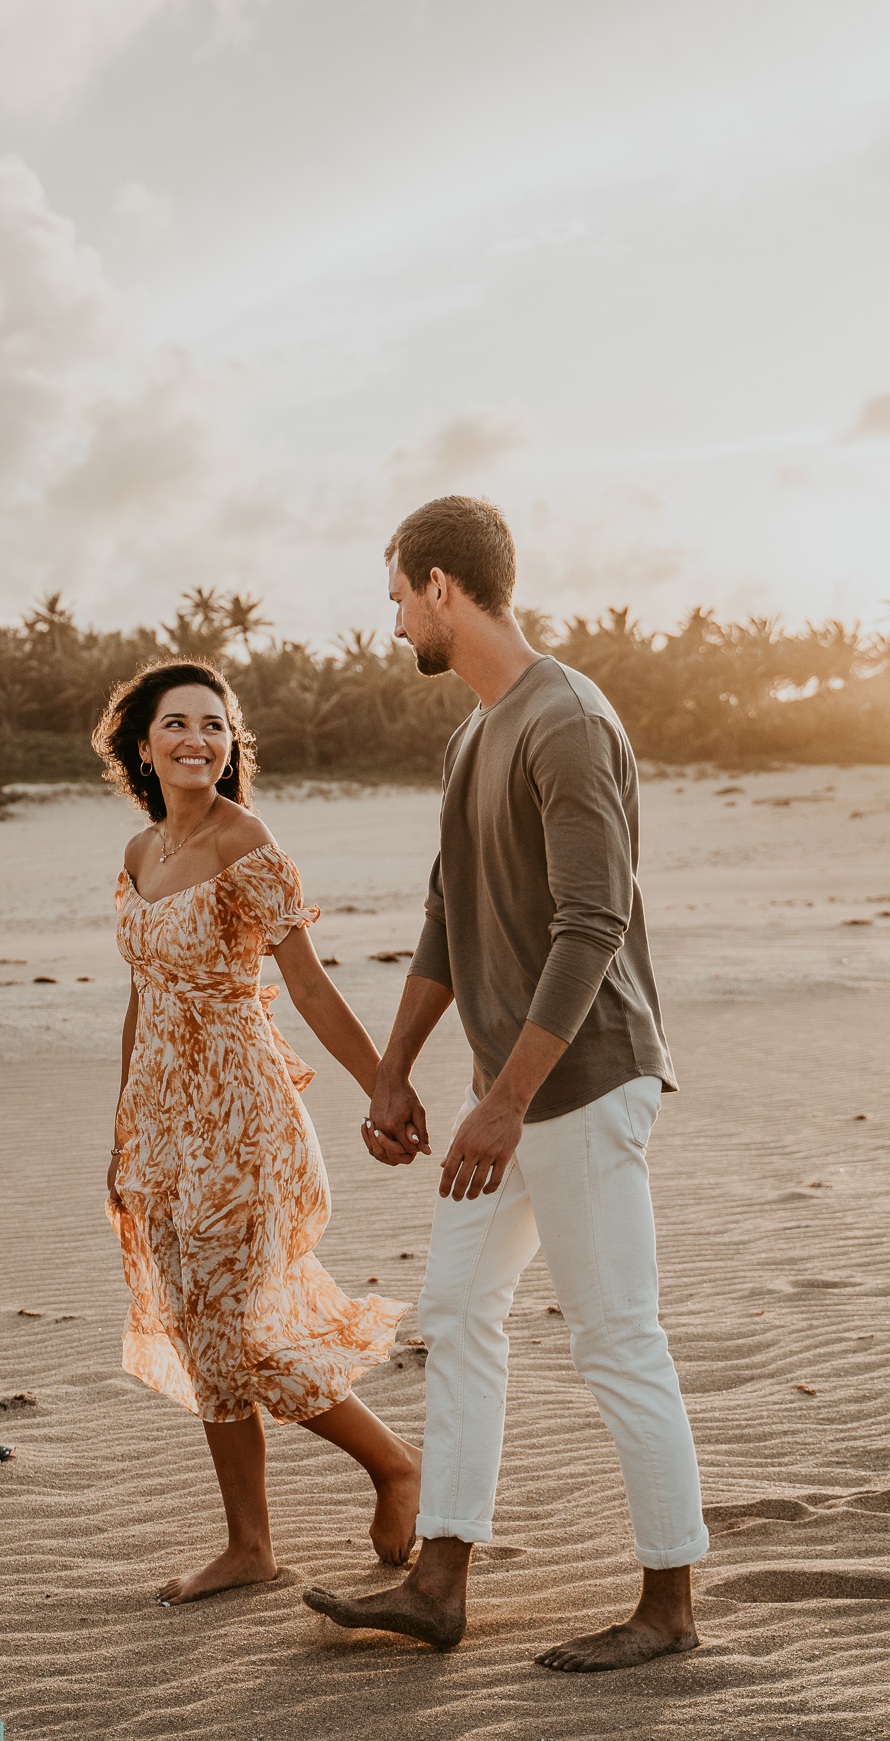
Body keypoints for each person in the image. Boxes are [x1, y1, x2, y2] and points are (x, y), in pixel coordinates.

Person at [304, 496, 708, 1670]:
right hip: (512, 1096)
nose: (391, 627)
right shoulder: (474, 733)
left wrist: (503, 1100)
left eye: (395, 600)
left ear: (440, 586)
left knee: (617, 1337)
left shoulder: (566, 720)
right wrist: (391, 1073)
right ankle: (440, 1579)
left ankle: (671, 1606)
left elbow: (591, 927)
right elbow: (446, 915)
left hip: (579, 1083)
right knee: (457, 1314)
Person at [93, 659, 422, 1606]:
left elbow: (310, 986)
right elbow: (140, 997)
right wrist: (122, 1129)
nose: (198, 739)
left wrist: (383, 1088)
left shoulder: (249, 846)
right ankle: (249, 1546)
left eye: (215, 724)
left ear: (232, 744)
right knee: (203, 1333)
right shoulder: (137, 852)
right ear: (143, 747)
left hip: (243, 1119)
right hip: (159, 1121)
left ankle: (394, 1464)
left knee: (244, 1328)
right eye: (177, 724)